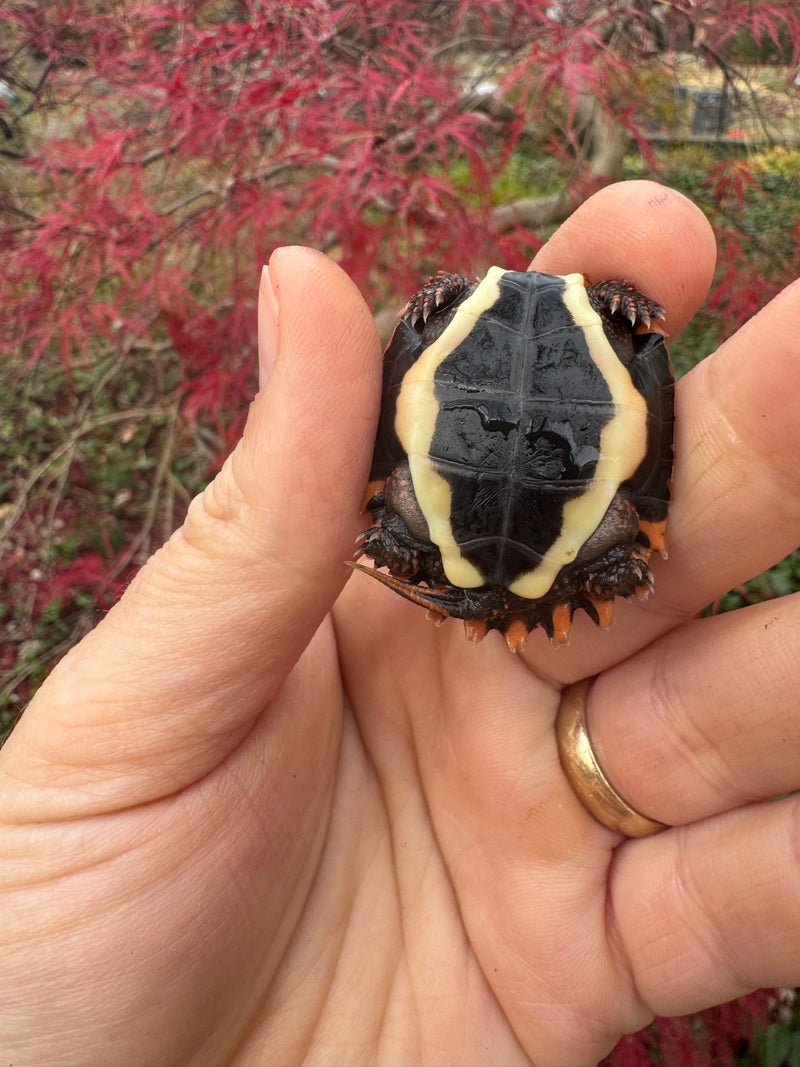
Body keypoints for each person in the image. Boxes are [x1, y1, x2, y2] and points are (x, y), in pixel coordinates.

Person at [2, 180, 799, 1067]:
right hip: (563, 355)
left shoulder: (445, 372)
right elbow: (627, 499)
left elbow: (432, 488)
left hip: (494, 357)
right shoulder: (556, 392)